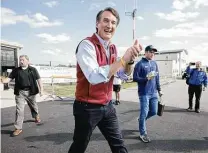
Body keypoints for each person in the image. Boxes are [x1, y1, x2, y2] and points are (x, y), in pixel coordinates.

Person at [68, 7, 142, 153]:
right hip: (87, 108)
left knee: (119, 145)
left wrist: (130, 62)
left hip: (107, 106)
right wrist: (123, 60)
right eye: (106, 21)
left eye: (113, 23)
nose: (109, 25)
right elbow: (94, 76)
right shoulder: (86, 45)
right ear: (97, 23)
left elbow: (122, 75)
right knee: (79, 146)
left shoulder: (113, 48)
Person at [1, 55, 43, 137]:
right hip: (20, 92)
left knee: (34, 106)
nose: (21, 61)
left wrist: (41, 90)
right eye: (20, 60)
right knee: (19, 110)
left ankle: (36, 115)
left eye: (23, 60)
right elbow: (8, 79)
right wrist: (3, 80)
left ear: (27, 61)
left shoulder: (33, 70)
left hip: (31, 92)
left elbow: (39, 79)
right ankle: (18, 128)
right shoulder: (16, 70)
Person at [133, 45, 162, 143]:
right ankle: (143, 133)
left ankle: (141, 119)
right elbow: (135, 78)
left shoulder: (154, 63)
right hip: (144, 93)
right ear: (145, 52)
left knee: (154, 111)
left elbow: (157, 77)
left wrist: (159, 89)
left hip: (154, 93)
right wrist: (146, 79)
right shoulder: (139, 64)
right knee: (144, 113)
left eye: (154, 52)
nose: (152, 54)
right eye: (151, 52)